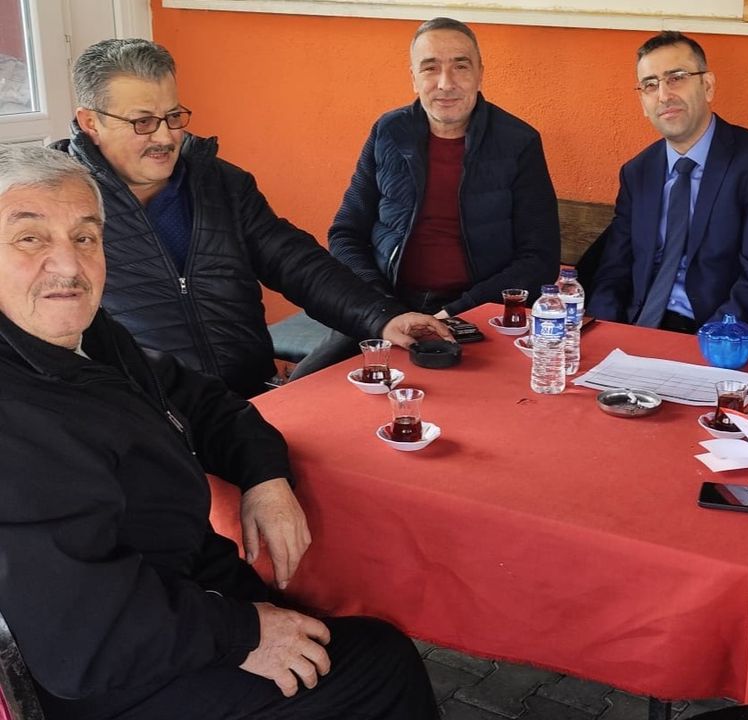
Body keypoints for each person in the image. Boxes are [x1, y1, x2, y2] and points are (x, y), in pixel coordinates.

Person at [0, 145, 437, 719]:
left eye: (85, 237)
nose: (68, 265)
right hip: (123, 671)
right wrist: (244, 633)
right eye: (30, 238)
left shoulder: (94, 339)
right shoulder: (17, 414)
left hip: (185, 600)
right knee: (378, 664)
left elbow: (206, 403)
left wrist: (265, 476)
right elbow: (83, 640)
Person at [59, 38, 452, 398]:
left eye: (174, 116)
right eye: (143, 122)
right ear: (91, 122)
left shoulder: (221, 183)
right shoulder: (56, 206)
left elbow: (295, 263)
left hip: (253, 404)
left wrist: (383, 318)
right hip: (146, 419)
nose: (165, 138)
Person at [294, 17, 560, 377]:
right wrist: (383, 309)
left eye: (460, 66)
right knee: (304, 385)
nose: (445, 83)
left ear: (480, 73)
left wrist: (455, 313)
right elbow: (345, 233)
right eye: (430, 68)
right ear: (413, 77)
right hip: (387, 306)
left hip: (476, 313)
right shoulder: (388, 132)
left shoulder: (518, 142)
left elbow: (539, 257)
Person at [585, 31, 748, 335]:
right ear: (643, 102)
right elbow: (613, 271)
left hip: (711, 335)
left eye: (676, 78)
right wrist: (603, 333)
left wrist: (710, 342)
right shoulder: (638, 172)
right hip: (639, 327)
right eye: (650, 85)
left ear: (707, 86)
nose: (664, 95)